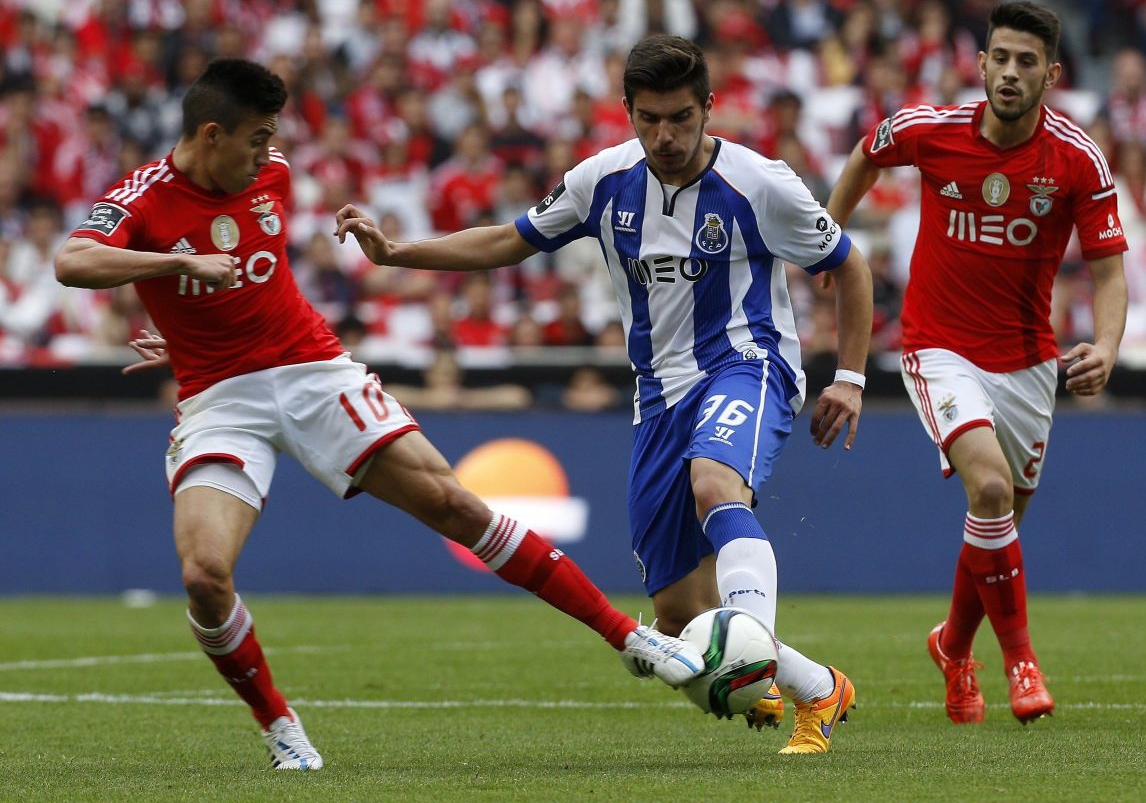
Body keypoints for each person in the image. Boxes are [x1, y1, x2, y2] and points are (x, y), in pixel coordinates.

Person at [53, 58, 704, 772]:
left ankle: (629, 638)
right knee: (205, 575)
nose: (269, 153)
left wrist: (184, 311)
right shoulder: (143, 197)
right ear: (211, 135)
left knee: (456, 505)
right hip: (220, 399)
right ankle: (280, 726)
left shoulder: (270, 174)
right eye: (256, 138)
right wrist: (168, 270)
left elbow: (252, 279)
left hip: (313, 370)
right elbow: (73, 261)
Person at [335, 35, 874, 755]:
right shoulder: (602, 181)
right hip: (656, 399)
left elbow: (851, 264)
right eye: (649, 119)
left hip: (748, 363)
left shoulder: (760, 184)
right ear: (626, 112)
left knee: (717, 485)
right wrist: (399, 253)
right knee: (679, 616)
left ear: (710, 109)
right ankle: (819, 688)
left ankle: (755, 655)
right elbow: (508, 241)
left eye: (682, 118)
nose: (665, 136)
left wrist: (851, 376)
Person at [824, 1, 1129, 725]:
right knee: (989, 489)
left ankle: (952, 646)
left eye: (1028, 62)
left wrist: (1109, 346)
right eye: (1001, 57)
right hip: (938, 346)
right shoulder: (933, 130)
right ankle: (1022, 663)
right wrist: (827, 239)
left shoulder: (1077, 159)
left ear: (1051, 74)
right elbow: (869, 151)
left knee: (998, 518)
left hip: (1027, 361)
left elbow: (1110, 270)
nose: (1011, 73)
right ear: (983, 63)